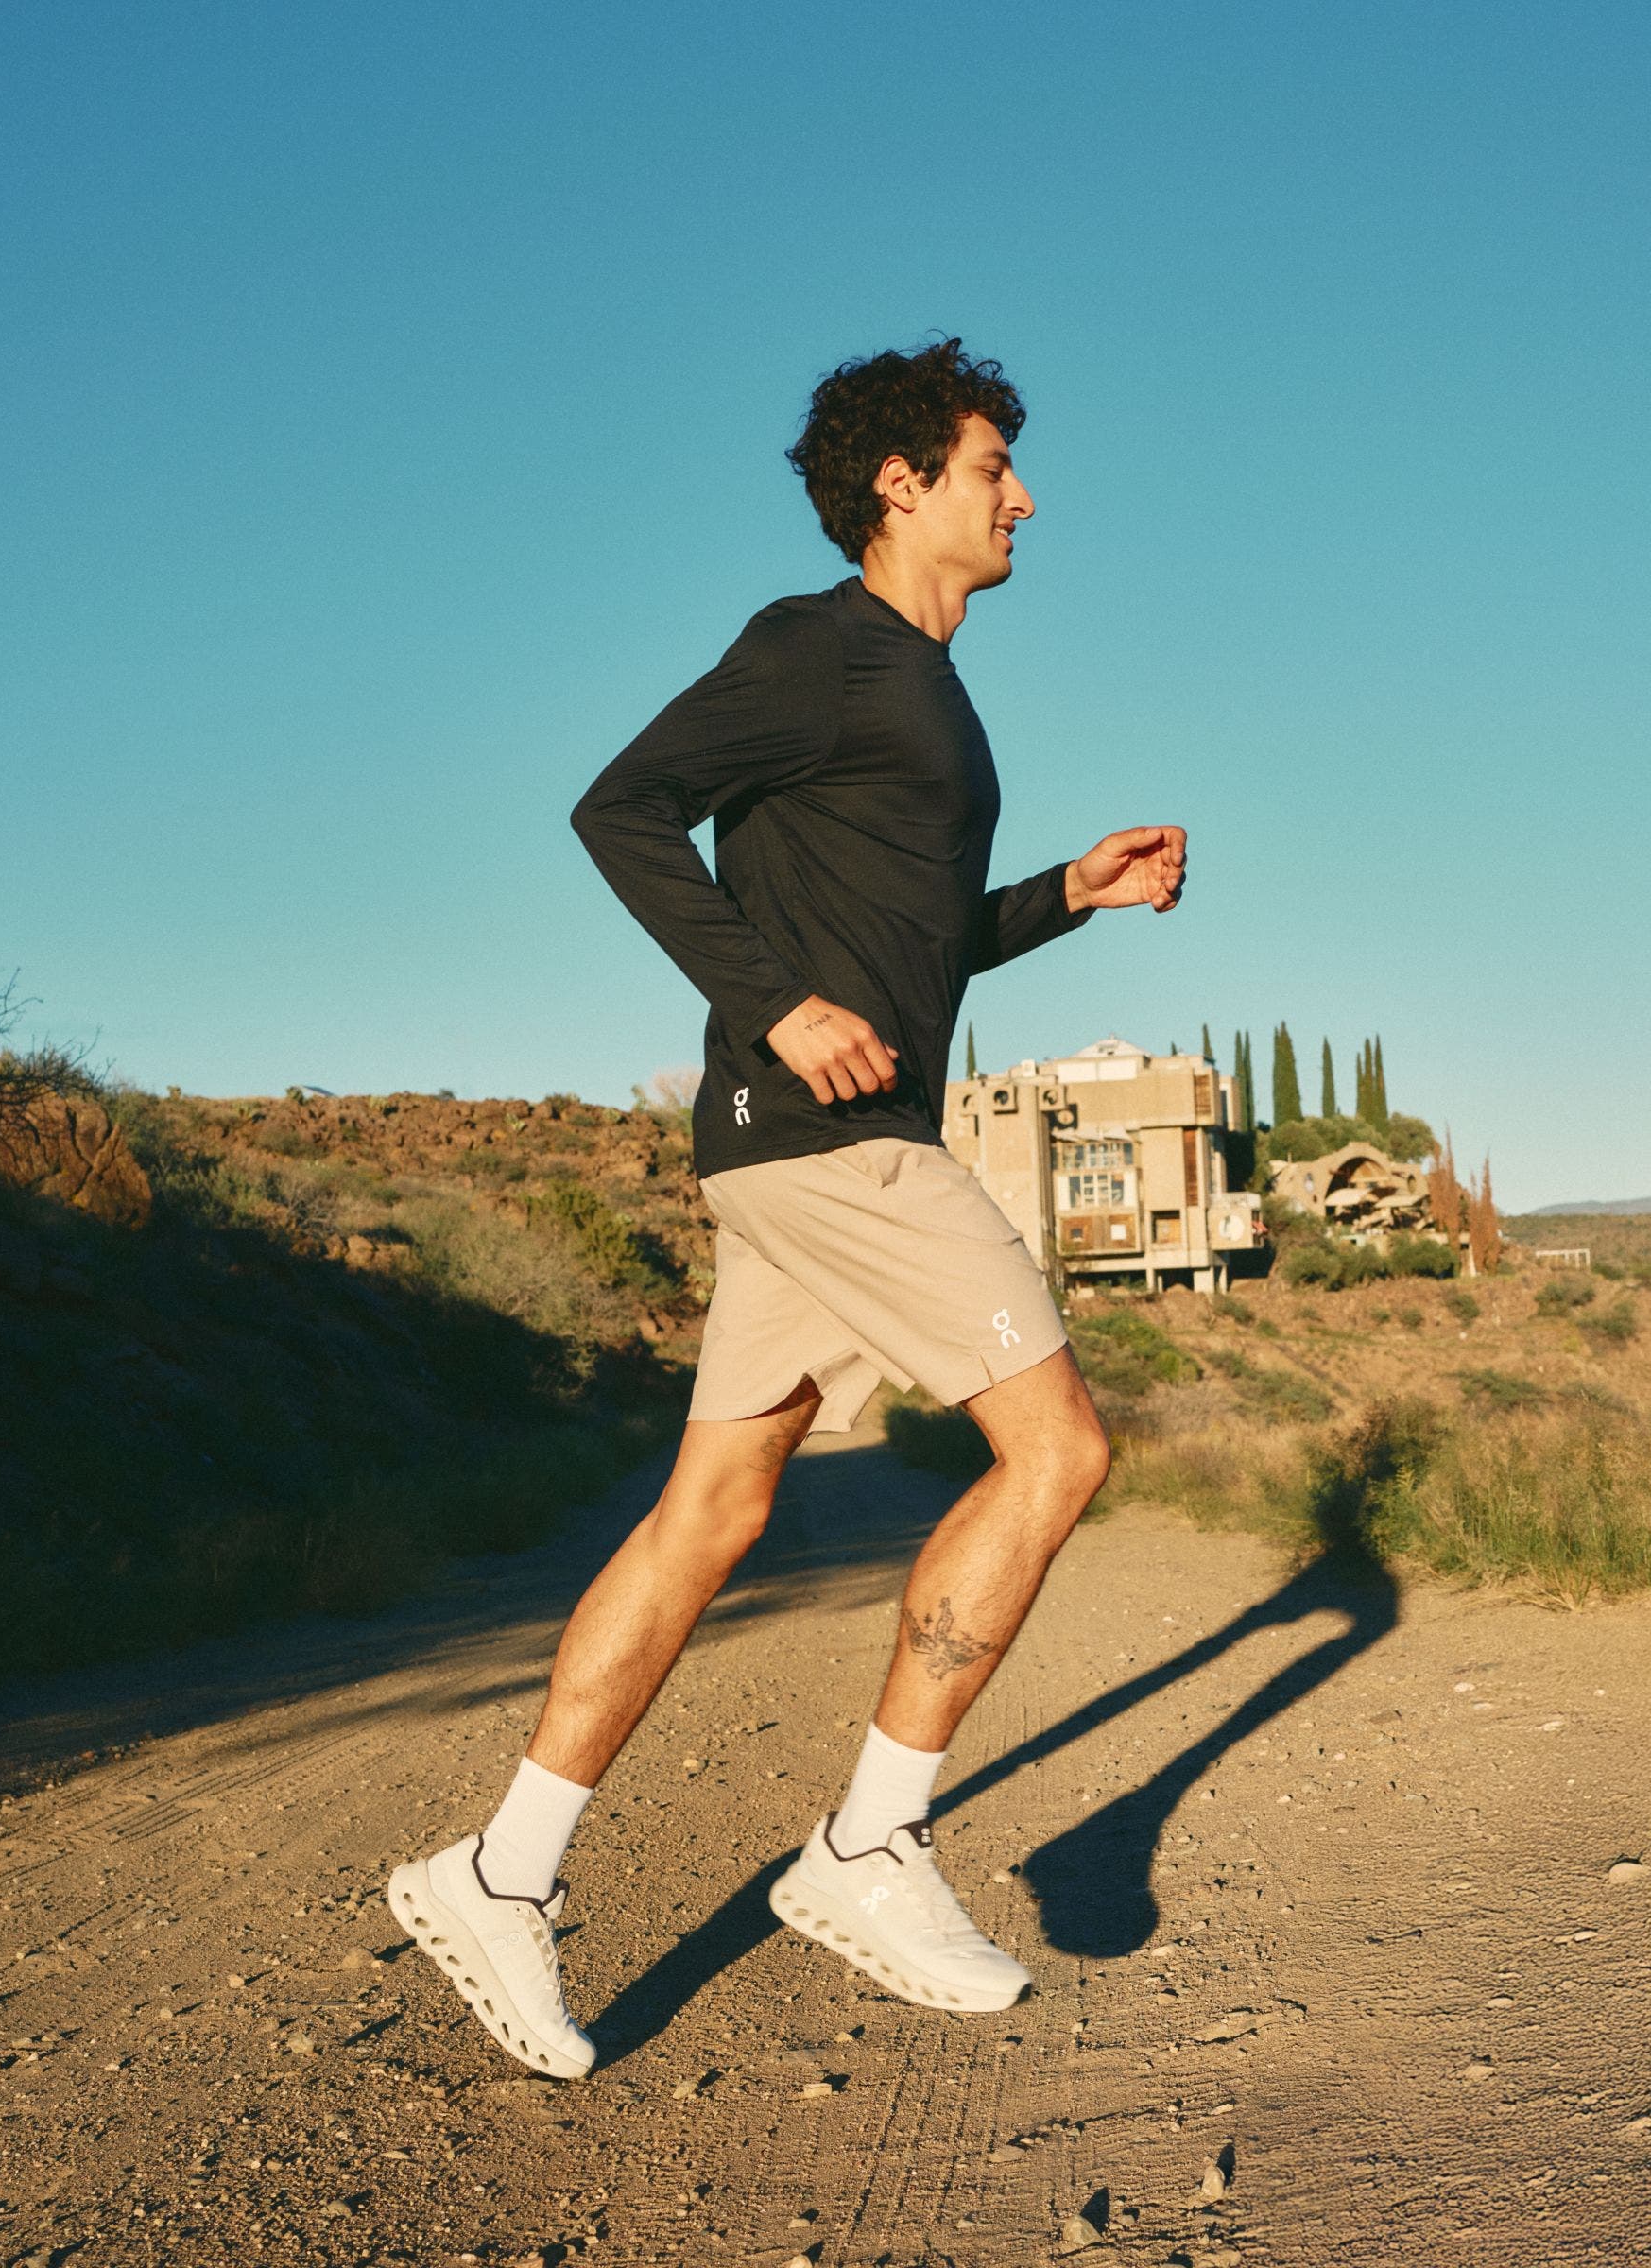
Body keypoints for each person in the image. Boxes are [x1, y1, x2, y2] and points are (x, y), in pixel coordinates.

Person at [388, 339, 1189, 2078]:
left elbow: (913, 944)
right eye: (995, 466)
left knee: (713, 1512)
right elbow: (621, 809)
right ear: (902, 483)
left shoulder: (924, 691)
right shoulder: (815, 648)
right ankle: (868, 1848)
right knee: (1056, 1455)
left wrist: (1070, 894)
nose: (1024, 496)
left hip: (812, 1140)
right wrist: (773, 1006)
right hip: (837, 1142)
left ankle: (498, 1877)